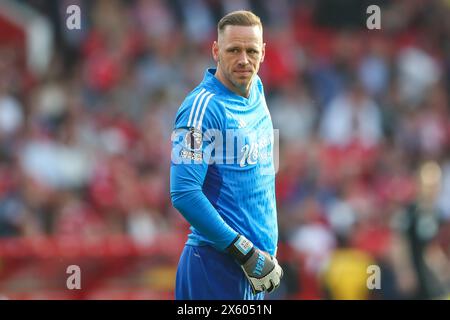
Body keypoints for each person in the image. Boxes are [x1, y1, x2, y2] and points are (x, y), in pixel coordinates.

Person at [170, 10, 283, 300]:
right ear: (216, 51)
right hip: (215, 268)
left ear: (263, 52)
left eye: (251, 51)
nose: (244, 60)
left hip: (254, 271)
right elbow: (183, 193)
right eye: (233, 50)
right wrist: (244, 253)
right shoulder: (201, 109)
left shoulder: (256, 89)